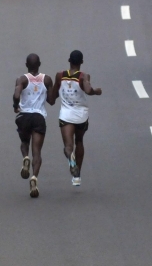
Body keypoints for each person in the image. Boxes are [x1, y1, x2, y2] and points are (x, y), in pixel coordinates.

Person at [49, 50, 102, 186]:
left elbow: (52, 97)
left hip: (66, 115)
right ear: (81, 62)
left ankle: (70, 159)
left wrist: (49, 97)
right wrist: (96, 91)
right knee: (79, 141)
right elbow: (88, 90)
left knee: (68, 146)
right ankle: (77, 176)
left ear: (69, 60)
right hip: (81, 115)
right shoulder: (83, 76)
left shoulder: (60, 76)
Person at [13, 54, 54, 198]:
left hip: (24, 116)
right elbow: (51, 101)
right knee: (37, 151)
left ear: (26, 65)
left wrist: (15, 106)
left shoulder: (22, 79)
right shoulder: (47, 79)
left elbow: (17, 94)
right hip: (38, 117)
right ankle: (34, 178)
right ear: (40, 64)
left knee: (24, 142)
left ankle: (25, 157)